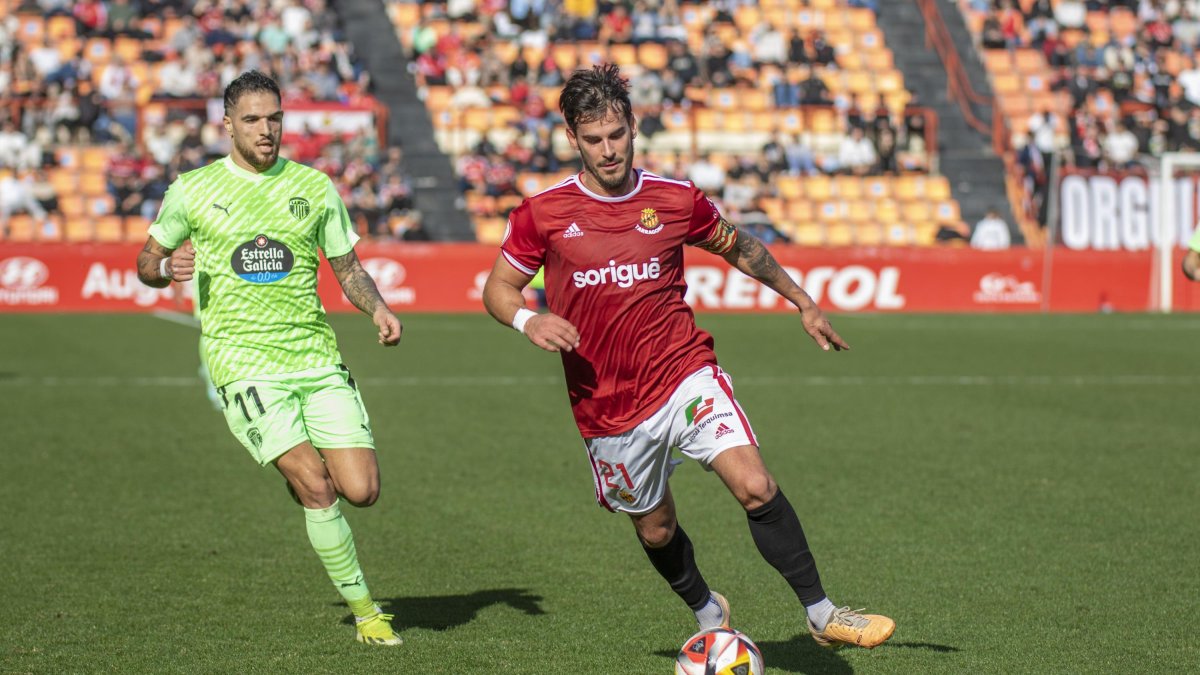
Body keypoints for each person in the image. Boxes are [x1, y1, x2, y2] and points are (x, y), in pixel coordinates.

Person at [481, 64, 895, 649]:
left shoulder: (673, 199)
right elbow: (497, 290)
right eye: (594, 139)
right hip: (605, 405)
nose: (608, 150)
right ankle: (706, 610)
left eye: (617, 135)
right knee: (656, 529)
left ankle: (823, 614)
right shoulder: (542, 214)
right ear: (572, 139)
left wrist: (802, 301)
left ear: (633, 127)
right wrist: (530, 318)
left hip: (683, 373)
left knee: (754, 484)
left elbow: (740, 246)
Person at [134, 71, 404, 647]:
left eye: (274, 118)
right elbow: (147, 261)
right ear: (227, 124)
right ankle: (366, 612)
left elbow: (348, 268)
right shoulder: (192, 190)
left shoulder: (314, 186)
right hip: (244, 364)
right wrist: (165, 271)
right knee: (318, 488)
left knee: (361, 491)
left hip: (315, 358)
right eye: (253, 119)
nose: (266, 129)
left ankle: (303, 481)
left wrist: (377, 309)